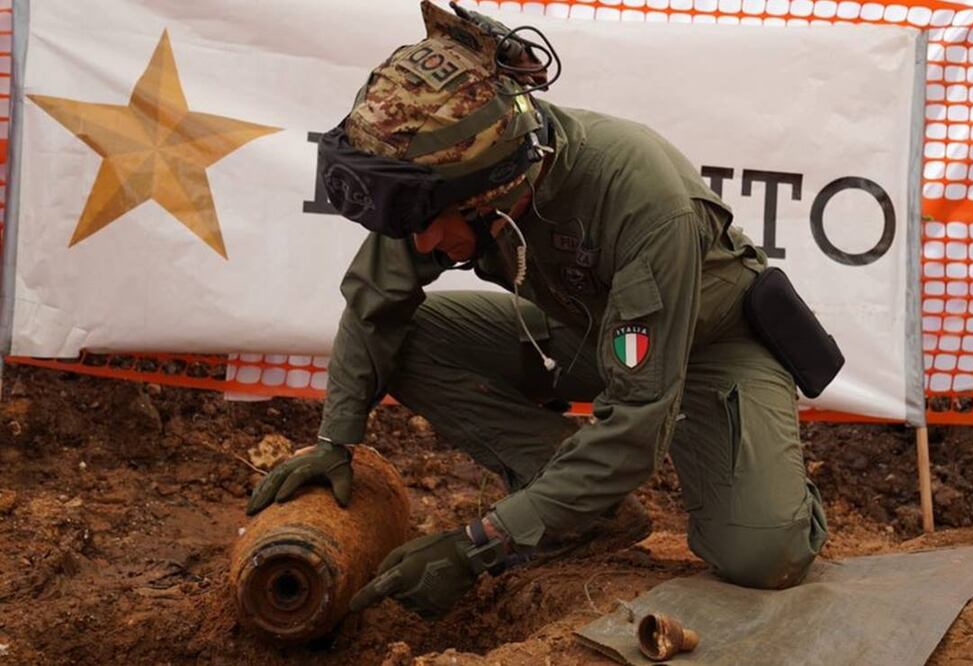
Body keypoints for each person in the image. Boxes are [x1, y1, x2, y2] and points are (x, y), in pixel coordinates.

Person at [247, 1, 827, 619]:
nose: (418, 242)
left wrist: (480, 545)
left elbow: (636, 425)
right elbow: (374, 305)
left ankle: (762, 465)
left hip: (710, 347)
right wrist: (334, 440)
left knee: (762, 554)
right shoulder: (447, 176)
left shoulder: (642, 202)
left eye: (429, 223)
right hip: (585, 331)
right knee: (406, 341)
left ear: (495, 195)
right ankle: (587, 513)